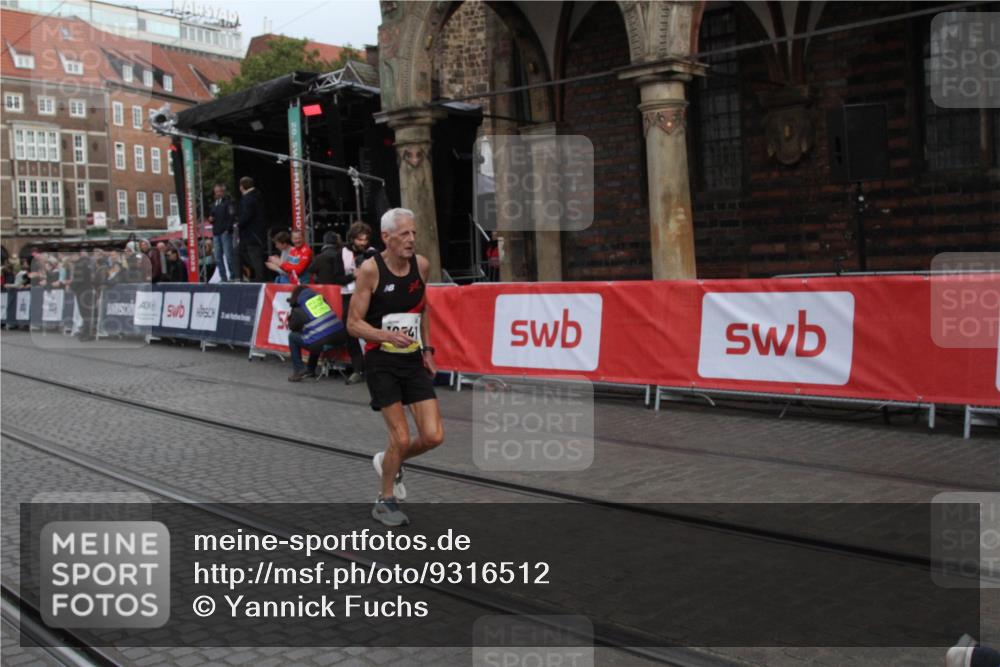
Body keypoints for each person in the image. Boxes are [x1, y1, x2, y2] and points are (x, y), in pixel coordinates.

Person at [347, 208, 444, 527]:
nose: (412, 239)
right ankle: (384, 500)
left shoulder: (422, 266)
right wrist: (385, 335)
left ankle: (389, 460)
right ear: (386, 237)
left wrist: (427, 349)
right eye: (404, 234)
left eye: (414, 233)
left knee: (433, 436)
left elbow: (422, 307)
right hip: (381, 362)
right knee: (400, 438)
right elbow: (353, 324)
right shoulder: (370, 270)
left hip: (413, 359)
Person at [301, 232, 364, 385]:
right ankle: (358, 369)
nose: (363, 242)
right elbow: (339, 278)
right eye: (360, 238)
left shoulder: (370, 253)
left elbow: (310, 269)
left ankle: (360, 369)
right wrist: (353, 276)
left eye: (366, 239)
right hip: (345, 296)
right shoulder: (340, 254)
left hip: (343, 298)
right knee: (352, 332)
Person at [286, 284, 349, 382]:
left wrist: (291, 318)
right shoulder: (321, 300)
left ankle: (299, 370)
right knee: (314, 335)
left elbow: (293, 327)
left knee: (293, 337)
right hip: (341, 337)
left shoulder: (298, 309)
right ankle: (310, 369)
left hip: (322, 341)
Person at [236, 176, 267, 281]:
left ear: (242, 186)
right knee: (253, 256)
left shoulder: (248, 199)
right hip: (257, 233)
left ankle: (259, 279)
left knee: (254, 257)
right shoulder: (257, 196)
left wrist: (237, 224)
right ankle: (258, 277)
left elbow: (246, 216)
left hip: (251, 234)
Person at [208, 183, 237, 281]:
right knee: (218, 257)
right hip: (216, 233)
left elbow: (232, 216)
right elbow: (211, 217)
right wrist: (211, 219)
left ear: (223, 192)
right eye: (216, 192)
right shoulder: (214, 204)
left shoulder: (229, 203)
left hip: (225, 233)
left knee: (229, 256)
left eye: (219, 191)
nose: (218, 193)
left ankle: (233, 276)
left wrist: (227, 229)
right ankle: (223, 277)